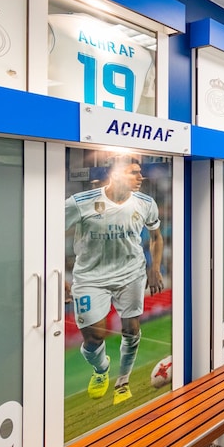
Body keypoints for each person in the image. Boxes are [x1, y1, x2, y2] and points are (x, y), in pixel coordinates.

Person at [66, 155, 164, 405]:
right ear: (117, 174)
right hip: (90, 277)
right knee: (93, 336)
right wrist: (56, 274)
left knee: (131, 329)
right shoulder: (81, 203)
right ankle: (101, 369)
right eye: (134, 172)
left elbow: (156, 236)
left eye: (140, 172)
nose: (141, 177)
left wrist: (154, 268)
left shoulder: (145, 203)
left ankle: (122, 383)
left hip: (130, 273)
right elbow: (45, 231)